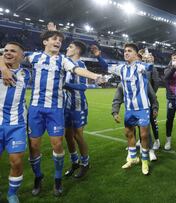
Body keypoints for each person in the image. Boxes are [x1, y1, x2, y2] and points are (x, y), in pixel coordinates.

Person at [0, 30, 105, 197]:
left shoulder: (63, 60)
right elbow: (8, 54)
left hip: (55, 109)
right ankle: (38, 177)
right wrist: (3, 68)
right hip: (35, 109)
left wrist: (95, 76)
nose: (58, 42)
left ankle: (57, 180)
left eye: (60, 40)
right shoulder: (33, 57)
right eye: (54, 39)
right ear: (45, 42)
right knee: (34, 148)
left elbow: (77, 70)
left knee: (57, 145)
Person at [94, 43, 154, 175]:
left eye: (129, 51)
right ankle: (133, 158)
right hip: (129, 108)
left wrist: (149, 60)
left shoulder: (139, 66)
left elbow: (149, 66)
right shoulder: (121, 68)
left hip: (142, 107)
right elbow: (106, 67)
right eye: (125, 51)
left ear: (135, 54)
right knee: (129, 133)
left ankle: (144, 160)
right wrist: (99, 57)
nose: (126, 53)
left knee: (144, 135)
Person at [0, 42, 30, 203]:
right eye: (6, 51)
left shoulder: (27, 73)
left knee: (17, 162)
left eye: (13, 51)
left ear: (21, 56)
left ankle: (12, 193)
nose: (8, 53)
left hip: (16, 124)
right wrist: (3, 67)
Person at [63, 41, 90, 178]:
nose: (67, 48)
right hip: (65, 105)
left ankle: (85, 163)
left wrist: (65, 85)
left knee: (78, 135)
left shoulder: (80, 65)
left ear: (78, 50)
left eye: (71, 47)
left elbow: (83, 87)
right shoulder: (65, 62)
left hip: (78, 105)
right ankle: (75, 162)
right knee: (68, 135)